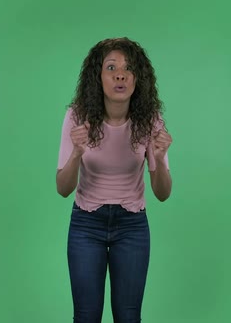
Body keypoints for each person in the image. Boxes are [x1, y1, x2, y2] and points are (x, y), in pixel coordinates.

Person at [56, 37, 173, 323]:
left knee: (129, 316)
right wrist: (76, 155)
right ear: (98, 77)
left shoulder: (149, 120)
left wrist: (157, 157)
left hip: (132, 225)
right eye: (111, 67)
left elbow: (163, 193)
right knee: (86, 316)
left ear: (137, 79)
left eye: (128, 68)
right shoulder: (77, 117)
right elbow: (63, 189)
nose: (120, 74)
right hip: (86, 224)